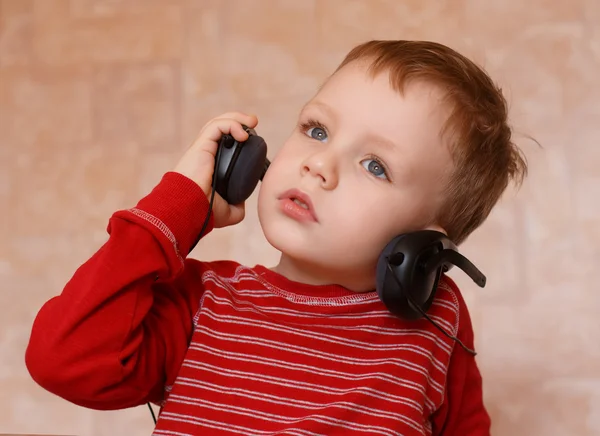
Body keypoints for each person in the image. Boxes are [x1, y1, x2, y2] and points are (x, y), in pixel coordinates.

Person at [25, 40, 527, 435]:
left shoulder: (437, 327)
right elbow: (62, 360)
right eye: (317, 129)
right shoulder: (204, 304)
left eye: (375, 165)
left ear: (424, 249)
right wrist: (176, 211)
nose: (318, 165)